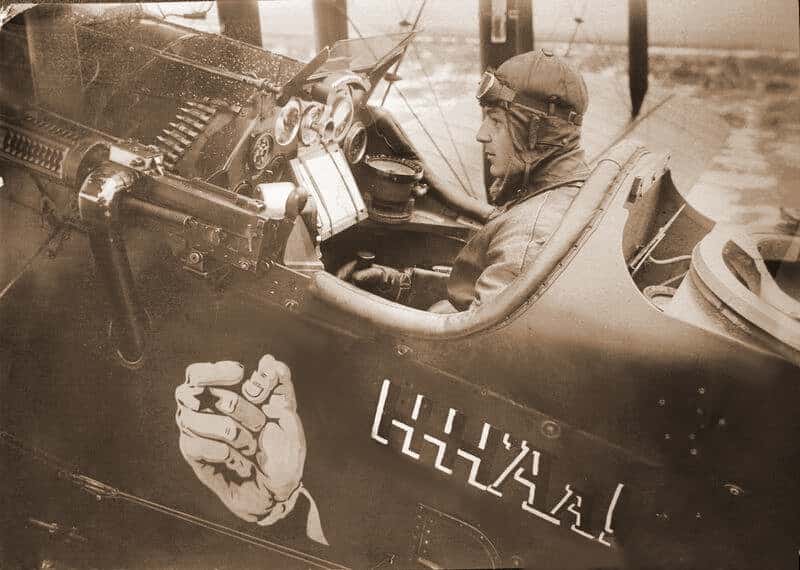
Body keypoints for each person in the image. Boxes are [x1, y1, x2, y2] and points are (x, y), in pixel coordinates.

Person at [340, 49, 591, 312]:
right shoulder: (565, 189)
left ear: (535, 133)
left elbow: (473, 332)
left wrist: (339, 296)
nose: (481, 135)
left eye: (496, 121)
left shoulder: (527, 237)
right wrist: (400, 284)